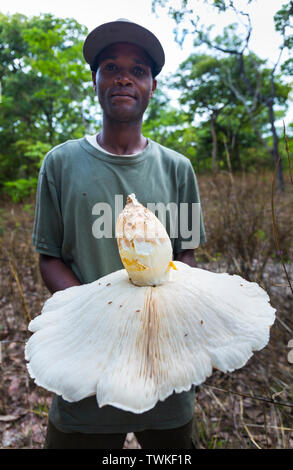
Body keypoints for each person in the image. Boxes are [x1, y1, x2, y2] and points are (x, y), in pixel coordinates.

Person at [32, 18, 206, 449]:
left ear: (152, 86)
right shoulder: (61, 163)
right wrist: (97, 316)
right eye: (110, 66)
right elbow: (49, 257)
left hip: (163, 366)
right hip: (87, 366)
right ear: (95, 81)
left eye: (138, 70)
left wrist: (153, 317)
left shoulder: (176, 168)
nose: (124, 77)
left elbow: (185, 255)